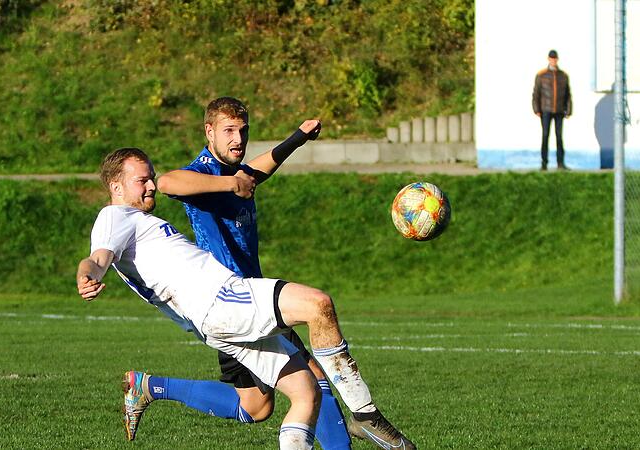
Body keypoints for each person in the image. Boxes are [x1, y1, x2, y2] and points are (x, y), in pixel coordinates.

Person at [76, 147, 416, 450]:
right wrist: (89, 273)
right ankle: (366, 413)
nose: (151, 185)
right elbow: (99, 256)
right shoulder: (114, 216)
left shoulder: (136, 220)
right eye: (142, 180)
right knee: (318, 304)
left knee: (306, 392)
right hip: (221, 300)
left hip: (214, 320)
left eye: (151, 177)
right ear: (116, 187)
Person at [148, 97, 356, 450]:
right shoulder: (204, 174)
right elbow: (167, 182)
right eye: (228, 131)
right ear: (208, 131)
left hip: (249, 299)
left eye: (243, 131)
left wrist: (297, 138)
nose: (238, 139)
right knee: (313, 379)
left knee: (256, 407)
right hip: (231, 304)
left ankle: (152, 386)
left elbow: (258, 169)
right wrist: (231, 184)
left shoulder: (234, 172)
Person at [532, 49, 573, 171]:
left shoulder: (563, 75)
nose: (553, 60)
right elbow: (536, 93)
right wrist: (536, 109)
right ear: (548, 59)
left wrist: (569, 109)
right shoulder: (541, 75)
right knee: (545, 136)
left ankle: (560, 163)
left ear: (557, 59)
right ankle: (544, 163)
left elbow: (568, 94)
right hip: (546, 110)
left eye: (555, 58)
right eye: (551, 58)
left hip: (559, 110)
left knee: (559, 136)